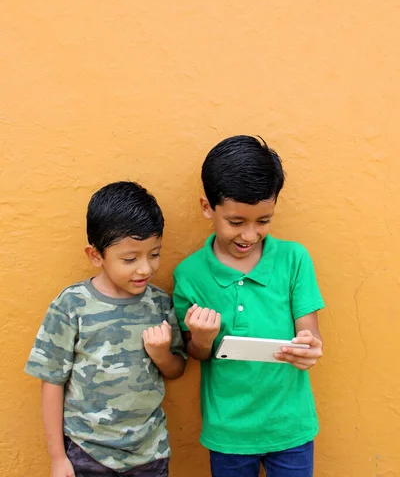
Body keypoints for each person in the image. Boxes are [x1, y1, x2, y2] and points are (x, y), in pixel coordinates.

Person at [173, 135, 324, 477]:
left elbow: (309, 331)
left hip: (290, 426)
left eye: (264, 220)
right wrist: (201, 337)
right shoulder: (190, 275)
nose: (249, 235)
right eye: (236, 222)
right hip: (229, 431)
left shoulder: (293, 259)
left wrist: (309, 347)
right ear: (206, 207)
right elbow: (195, 353)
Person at [25, 181, 186, 477]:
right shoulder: (71, 305)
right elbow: (51, 382)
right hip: (87, 454)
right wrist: (58, 458)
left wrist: (162, 354)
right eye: (130, 259)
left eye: (154, 254)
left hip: (149, 452)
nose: (145, 269)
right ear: (95, 255)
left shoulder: (159, 304)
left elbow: (176, 369)